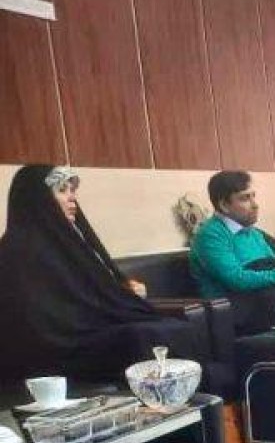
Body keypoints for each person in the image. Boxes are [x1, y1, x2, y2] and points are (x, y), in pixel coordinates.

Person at [0, 165, 213, 387]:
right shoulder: (19, 250)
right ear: (38, 199)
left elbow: (90, 293)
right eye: (62, 190)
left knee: (173, 328)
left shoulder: (67, 243)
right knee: (144, 336)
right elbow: (47, 314)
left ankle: (204, 404)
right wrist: (114, 301)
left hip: (87, 328)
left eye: (72, 190)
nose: (72, 198)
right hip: (56, 344)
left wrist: (123, 294)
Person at [189, 170, 275, 335]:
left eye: (253, 196)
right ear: (223, 205)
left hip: (265, 301)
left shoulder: (253, 232)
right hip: (234, 310)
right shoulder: (211, 235)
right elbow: (236, 279)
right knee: (266, 270)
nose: (255, 204)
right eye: (245, 198)